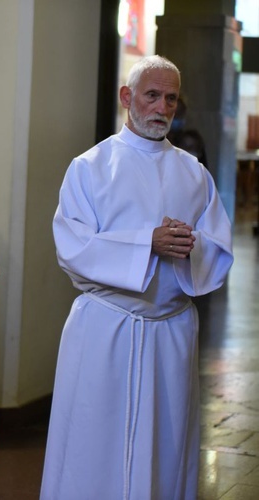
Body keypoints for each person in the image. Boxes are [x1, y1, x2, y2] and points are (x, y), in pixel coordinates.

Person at [41, 55, 234, 500]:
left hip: (172, 329)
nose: (162, 107)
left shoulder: (194, 172)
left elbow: (218, 247)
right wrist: (147, 242)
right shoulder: (90, 167)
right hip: (107, 326)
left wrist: (188, 246)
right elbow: (72, 245)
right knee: (94, 438)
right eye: (152, 95)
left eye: (170, 98)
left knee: (167, 441)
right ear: (127, 97)